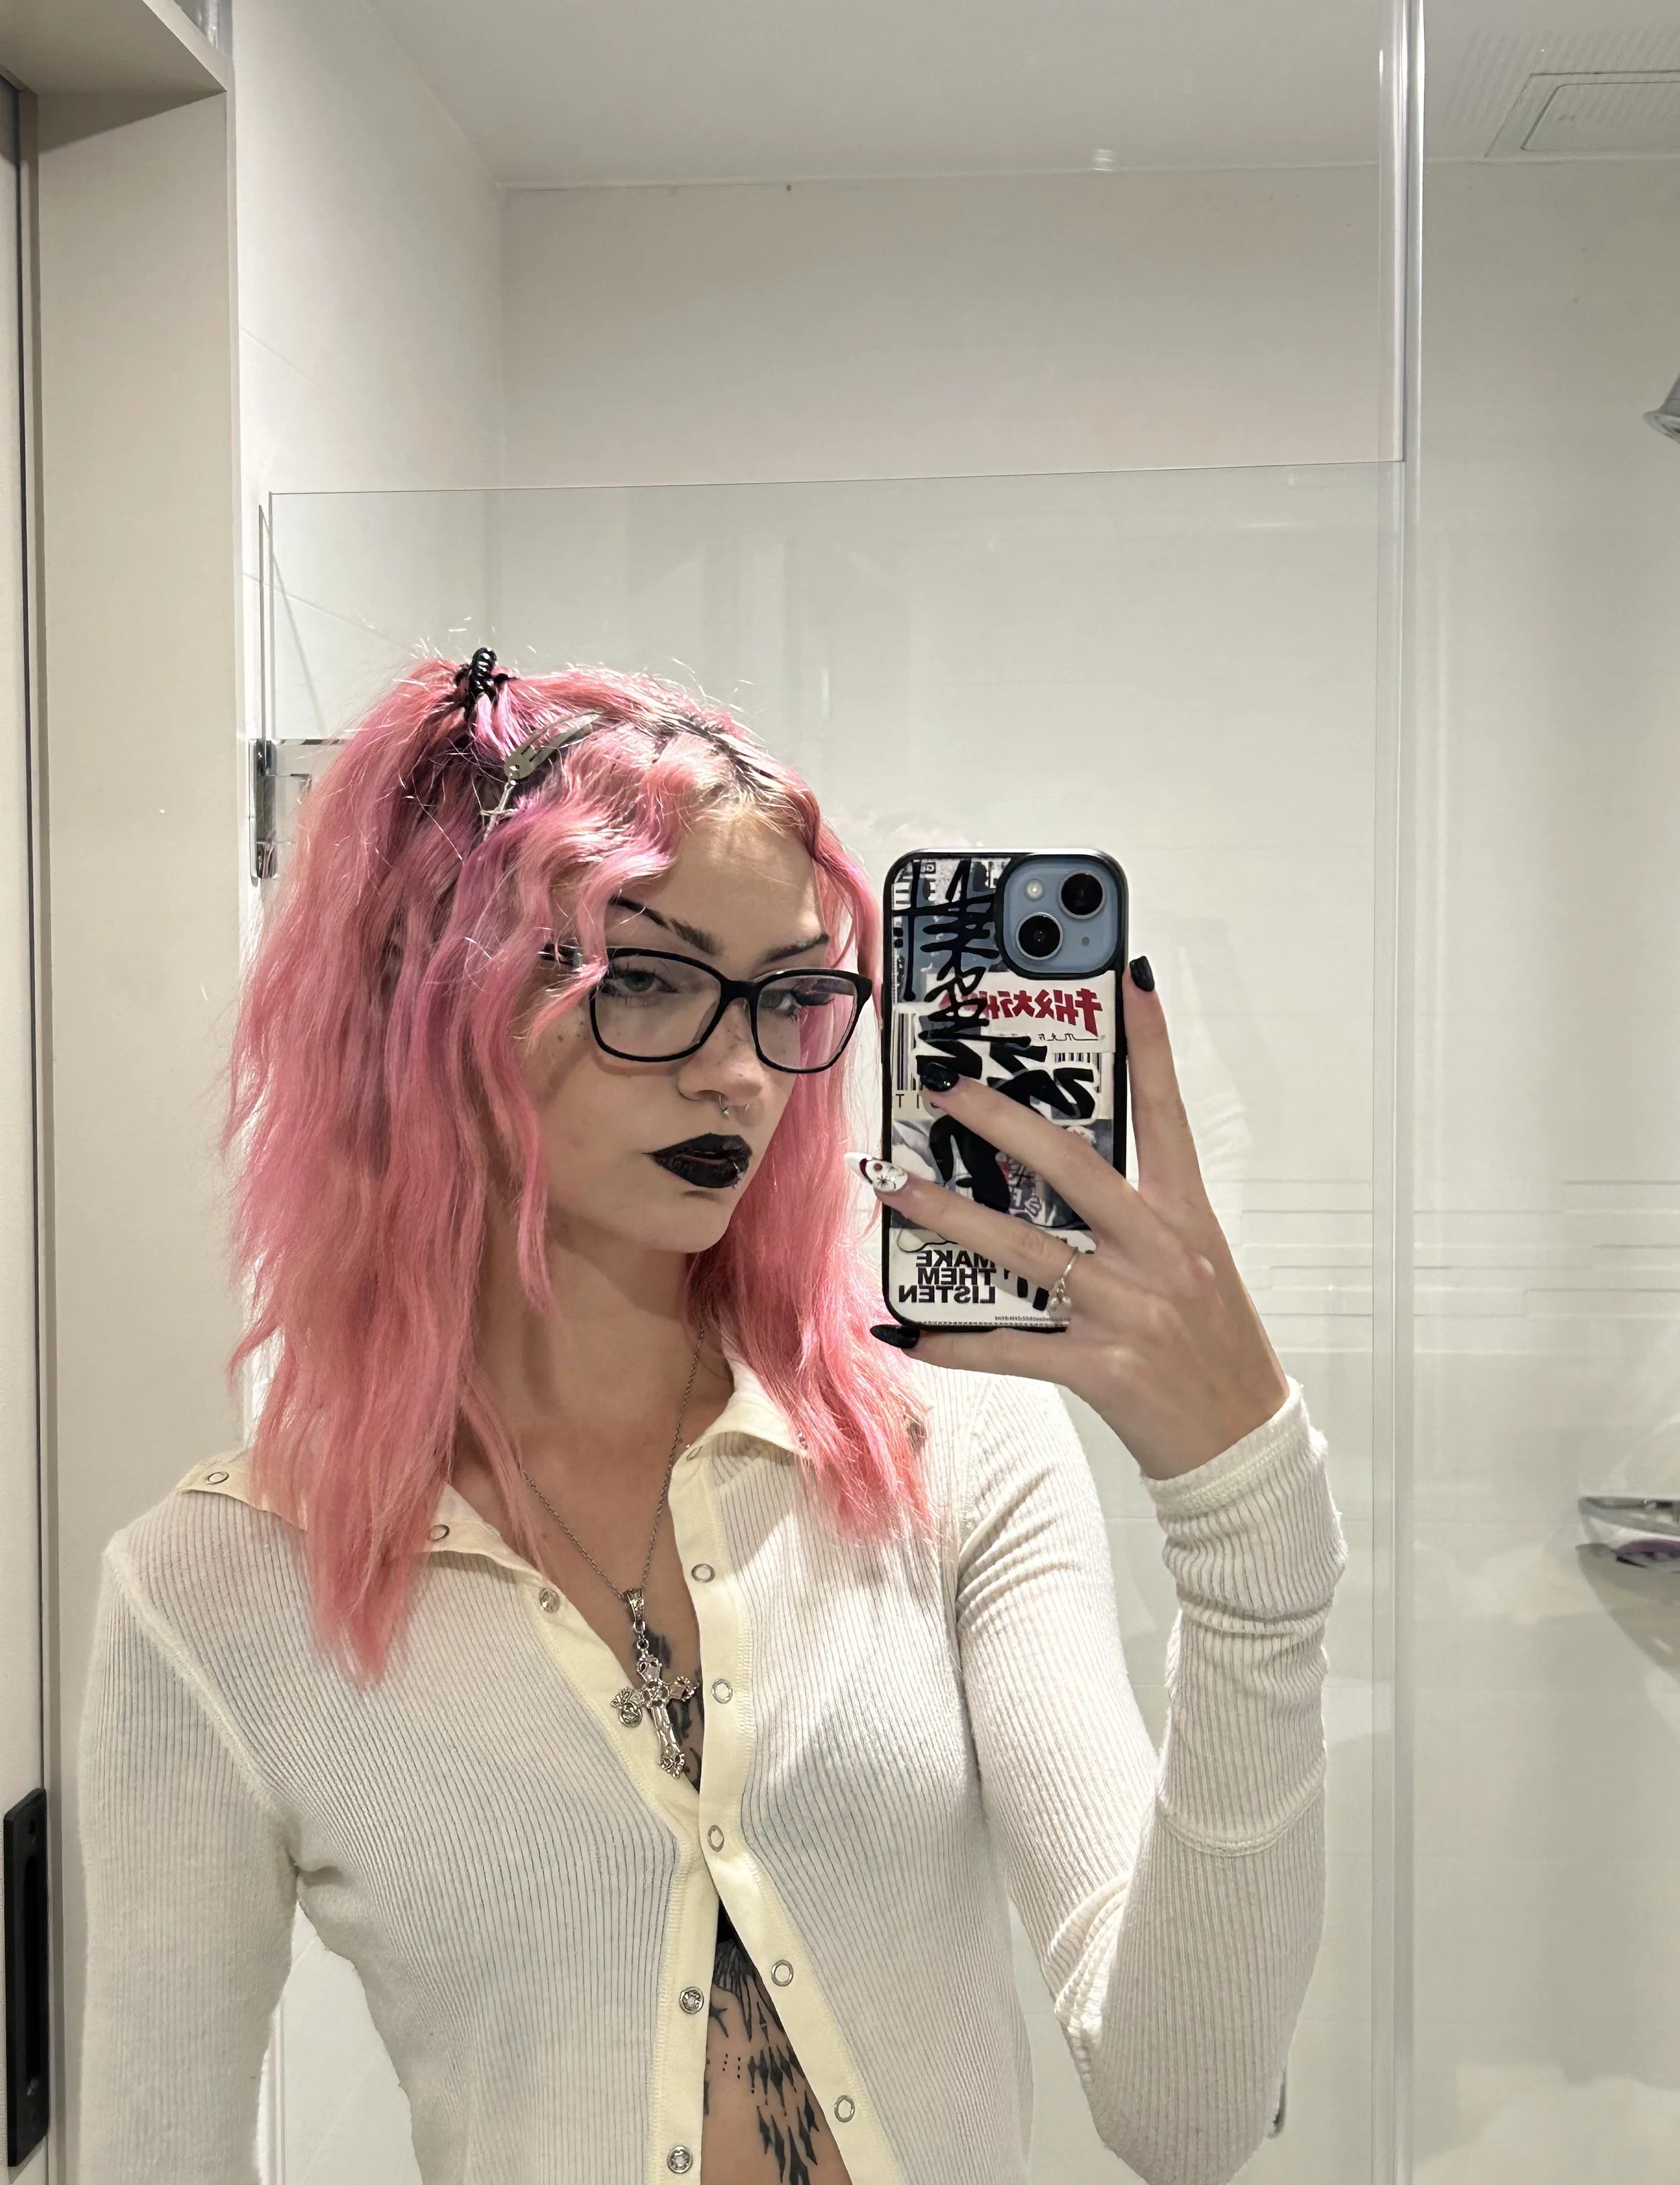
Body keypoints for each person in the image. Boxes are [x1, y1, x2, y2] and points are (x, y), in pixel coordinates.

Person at [77, 655, 1346, 2185]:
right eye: (651, 979)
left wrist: (1240, 1502)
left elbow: (1186, 2114)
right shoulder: (211, 1596)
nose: (742, 1070)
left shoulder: (952, 1455)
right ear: (430, 997)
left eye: (793, 993)